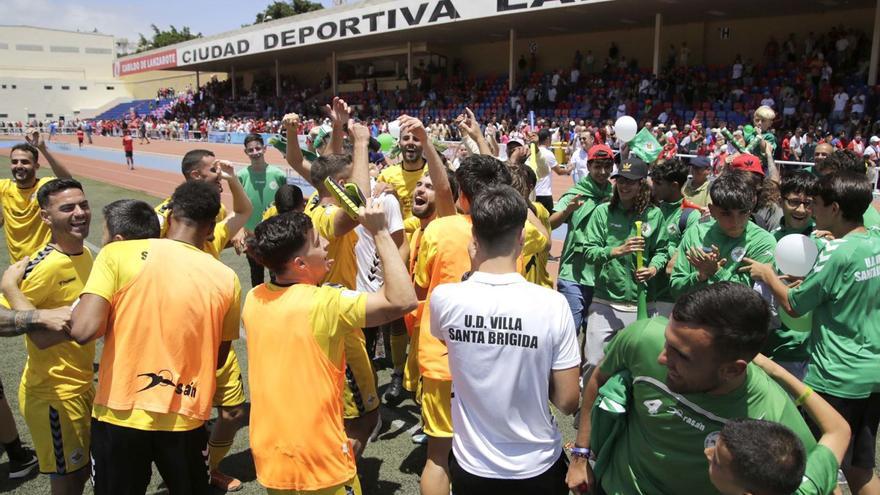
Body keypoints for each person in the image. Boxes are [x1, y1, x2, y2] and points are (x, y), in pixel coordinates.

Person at [64, 181, 240, 495]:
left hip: (119, 412)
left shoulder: (117, 253)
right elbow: (219, 357)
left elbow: (83, 330)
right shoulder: (226, 278)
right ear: (211, 227)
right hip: (185, 416)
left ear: (169, 216)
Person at [565, 282, 818, 494]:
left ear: (732, 369)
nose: (663, 358)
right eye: (667, 341)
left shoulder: (768, 409)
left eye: (682, 355)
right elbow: (597, 381)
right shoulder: (642, 338)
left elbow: (820, 471)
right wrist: (580, 456)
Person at [243, 204, 416, 494]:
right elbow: (402, 300)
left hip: (272, 458)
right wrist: (381, 232)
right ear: (299, 263)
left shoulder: (254, 298)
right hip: (321, 462)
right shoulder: (326, 302)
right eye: (316, 241)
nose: (325, 243)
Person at [430, 185, 580, 494]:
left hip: (472, 464)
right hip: (537, 463)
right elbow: (567, 401)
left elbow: (460, 351)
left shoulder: (445, 298)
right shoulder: (551, 303)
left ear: (474, 239)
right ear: (522, 238)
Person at [741, 171, 880, 495]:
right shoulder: (874, 240)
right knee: (859, 468)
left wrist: (767, 274)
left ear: (834, 208)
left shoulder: (835, 253)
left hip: (836, 375)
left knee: (815, 463)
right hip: (872, 374)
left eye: (815, 204)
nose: (810, 210)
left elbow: (793, 305)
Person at [415, 154, 511, 495]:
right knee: (492, 449)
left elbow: (420, 287)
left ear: (463, 196)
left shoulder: (438, 230)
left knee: (438, 456)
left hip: (442, 355)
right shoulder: (515, 231)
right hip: (495, 353)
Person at [0, 179, 91, 494]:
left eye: (83, 204)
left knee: (79, 475)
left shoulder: (87, 257)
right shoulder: (42, 267)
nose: (79, 213)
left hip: (82, 386)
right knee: (67, 483)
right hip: (54, 396)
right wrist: (32, 311)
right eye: (67, 208)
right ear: (45, 217)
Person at [706, 354, 850, 495]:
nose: (708, 452)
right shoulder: (807, 487)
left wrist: (778, 372)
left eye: (717, 462)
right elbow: (838, 429)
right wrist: (778, 372)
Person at [582, 156, 667, 368]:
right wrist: (617, 250)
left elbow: (662, 250)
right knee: (593, 362)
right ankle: (591, 401)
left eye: (630, 181)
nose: (623, 186)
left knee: (633, 366)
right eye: (620, 180)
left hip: (641, 303)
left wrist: (653, 268)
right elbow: (589, 251)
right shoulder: (603, 212)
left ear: (641, 184)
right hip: (605, 301)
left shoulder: (654, 214)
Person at [670, 169, 777, 297]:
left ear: (751, 208)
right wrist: (699, 276)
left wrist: (716, 272)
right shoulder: (696, 233)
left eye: (743, 212)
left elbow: (752, 300)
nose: (736, 222)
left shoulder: (763, 242)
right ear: (712, 211)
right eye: (726, 214)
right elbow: (675, 289)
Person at [550, 144, 614, 336]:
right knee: (570, 330)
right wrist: (567, 210)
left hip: (602, 275)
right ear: (588, 166)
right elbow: (550, 224)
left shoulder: (616, 197)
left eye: (607, 167)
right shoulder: (576, 194)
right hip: (573, 273)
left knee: (595, 337)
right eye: (597, 167)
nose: (602, 172)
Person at [762, 171, 819, 379]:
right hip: (774, 347)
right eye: (794, 202)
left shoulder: (826, 241)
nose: (801, 209)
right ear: (781, 200)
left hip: (814, 351)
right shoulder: (767, 240)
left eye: (809, 203)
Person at [1, 135, 74, 263]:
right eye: (14, 162)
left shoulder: (44, 186)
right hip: (18, 264)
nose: (19, 165)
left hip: (44, 262)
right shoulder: (4, 188)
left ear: (36, 166)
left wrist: (43, 149)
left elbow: (68, 180)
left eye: (25, 162)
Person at [232, 133, 287, 288]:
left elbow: (285, 203)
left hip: (274, 234)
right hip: (251, 235)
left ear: (265, 149)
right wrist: (239, 229)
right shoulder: (241, 176)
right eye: (251, 150)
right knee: (256, 275)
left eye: (258, 148)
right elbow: (238, 206)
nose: (255, 152)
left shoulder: (278, 175)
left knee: (276, 275)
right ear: (246, 152)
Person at [649, 158, 701, 316]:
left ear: (674, 186)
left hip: (670, 299)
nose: (653, 188)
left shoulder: (691, 215)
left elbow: (684, 258)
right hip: (644, 292)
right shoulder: (649, 208)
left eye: (658, 184)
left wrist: (661, 250)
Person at [534, 129, 570, 213]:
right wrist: (569, 169)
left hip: (533, 192)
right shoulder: (548, 153)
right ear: (547, 139)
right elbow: (559, 171)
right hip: (544, 193)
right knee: (548, 222)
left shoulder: (532, 152)